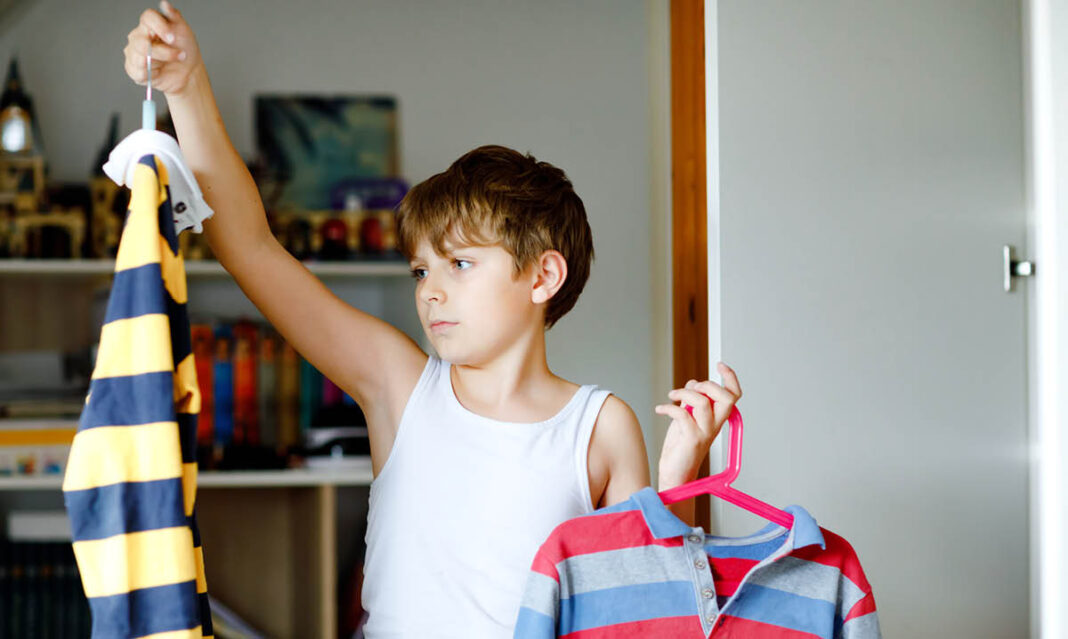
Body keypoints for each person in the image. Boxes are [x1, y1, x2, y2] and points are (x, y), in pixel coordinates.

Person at [123, 3, 744, 636]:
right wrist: (186, 86)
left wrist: (677, 478)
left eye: (460, 265)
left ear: (543, 276)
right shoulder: (399, 387)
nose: (431, 293)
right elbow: (249, 247)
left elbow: (643, 614)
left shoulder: (602, 427)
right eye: (422, 271)